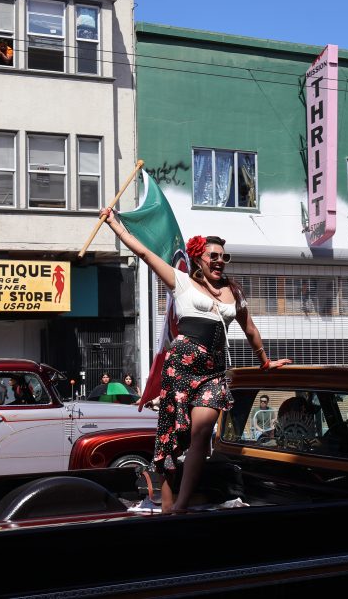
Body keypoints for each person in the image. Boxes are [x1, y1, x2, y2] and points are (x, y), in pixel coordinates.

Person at [102, 207, 291, 513]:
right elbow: (145, 253)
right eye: (213, 255)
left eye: (224, 257)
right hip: (181, 368)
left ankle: (182, 506)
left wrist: (264, 361)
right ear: (199, 258)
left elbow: (250, 329)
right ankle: (166, 503)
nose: (220, 260)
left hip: (213, 372)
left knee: (201, 433)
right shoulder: (181, 282)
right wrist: (115, 224)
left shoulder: (234, 292)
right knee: (170, 436)